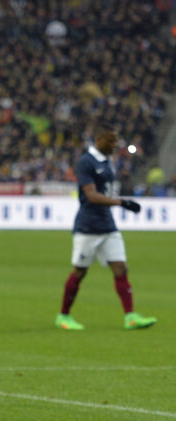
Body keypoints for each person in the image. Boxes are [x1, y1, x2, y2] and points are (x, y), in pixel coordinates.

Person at [55, 125, 156, 330]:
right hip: (88, 226)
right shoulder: (85, 163)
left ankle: (131, 317)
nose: (115, 146)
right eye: (111, 141)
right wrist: (122, 203)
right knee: (79, 272)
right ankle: (63, 316)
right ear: (99, 140)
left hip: (107, 225)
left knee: (120, 268)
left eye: (116, 141)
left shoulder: (107, 160)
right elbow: (91, 196)